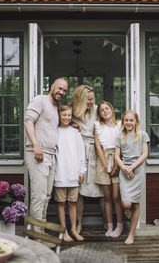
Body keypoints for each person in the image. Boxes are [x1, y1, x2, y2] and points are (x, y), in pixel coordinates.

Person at [24, 78, 68, 228]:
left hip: (51, 156)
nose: (61, 92)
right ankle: (36, 235)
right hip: (38, 155)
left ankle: (40, 230)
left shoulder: (55, 108)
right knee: (38, 197)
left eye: (64, 90)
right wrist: (36, 145)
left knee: (47, 196)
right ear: (52, 87)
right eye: (59, 88)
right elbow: (28, 121)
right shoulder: (40, 100)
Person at [70, 85, 104, 233]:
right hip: (79, 151)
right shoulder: (71, 112)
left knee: (102, 188)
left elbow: (110, 122)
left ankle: (107, 221)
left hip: (97, 151)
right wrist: (71, 124)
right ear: (80, 99)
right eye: (88, 99)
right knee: (78, 191)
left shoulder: (97, 110)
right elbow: (60, 124)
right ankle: (79, 223)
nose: (91, 102)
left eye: (92, 99)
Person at [115, 110, 150, 245]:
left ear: (136, 122)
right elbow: (117, 156)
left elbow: (145, 154)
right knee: (126, 203)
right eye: (126, 120)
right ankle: (126, 211)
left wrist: (132, 167)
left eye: (131, 120)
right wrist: (124, 168)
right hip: (124, 171)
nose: (129, 123)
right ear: (123, 122)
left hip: (138, 171)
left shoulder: (142, 135)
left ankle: (131, 235)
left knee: (135, 203)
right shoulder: (120, 136)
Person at [54, 105, 86, 242]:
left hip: (74, 174)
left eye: (69, 115)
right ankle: (64, 230)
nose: (66, 117)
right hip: (60, 173)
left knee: (73, 202)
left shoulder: (75, 133)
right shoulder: (54, 132)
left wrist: (82, 171)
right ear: (59, 116)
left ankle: (73, 229)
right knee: (61, 203)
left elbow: (81, 153)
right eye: (64, 115)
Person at [94, 101, 123, 238]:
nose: (105, 111)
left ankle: (120, 225)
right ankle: (109, 224)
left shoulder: (120, 124)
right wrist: (106, 166)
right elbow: (98, 147)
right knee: (107, 196)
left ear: (112, 109)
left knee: (116, 196)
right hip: (104, 159)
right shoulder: (98, 126)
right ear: (99, 114)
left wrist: (117, 165)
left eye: (107, 108)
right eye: (102, 110)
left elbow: (123, 144)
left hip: (117, 157)